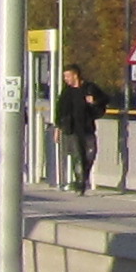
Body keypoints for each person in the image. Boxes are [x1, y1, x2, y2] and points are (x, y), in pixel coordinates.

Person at [52, 63, 107, 194]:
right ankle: (80, 184)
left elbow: (105, 98)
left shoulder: (89, 88)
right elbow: (60, 111)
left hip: (87, 128)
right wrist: (58, 129)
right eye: (65, 77)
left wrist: (94, 101)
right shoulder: (67, 92)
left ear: (75, 75)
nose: (66, 79)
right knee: (77, 156)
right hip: (72, 129)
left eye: (68, 76)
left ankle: (82, 177)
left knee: (90, 154)